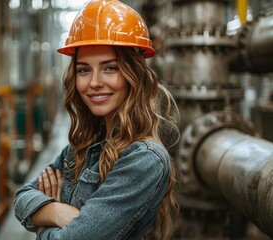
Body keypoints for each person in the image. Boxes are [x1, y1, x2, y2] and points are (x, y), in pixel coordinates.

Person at [13, 0, 180, 239]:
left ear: (134, 75)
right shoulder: (84, 146)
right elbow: (22, 197)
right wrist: (58, 212)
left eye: (110, 68)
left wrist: (42, 225)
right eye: (84, 70)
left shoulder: (144, 159)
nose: (94, 82)